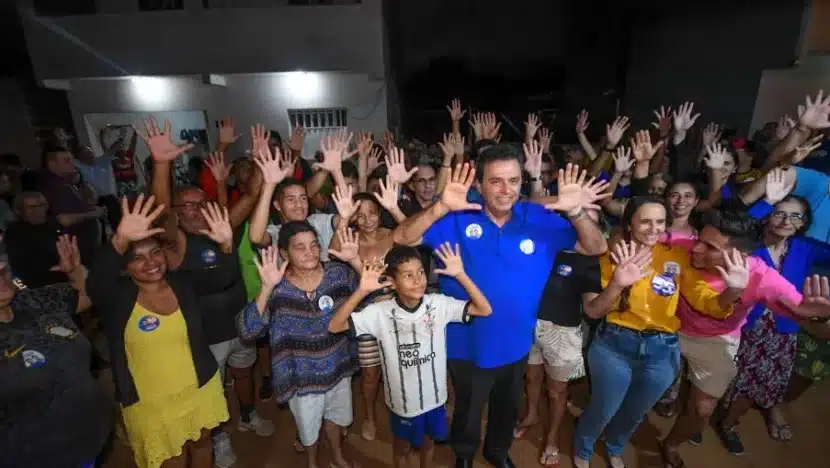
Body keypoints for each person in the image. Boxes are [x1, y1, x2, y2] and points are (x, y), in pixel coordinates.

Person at [393, 143, 608, 468]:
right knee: (468, 406)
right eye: (495, 181)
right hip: (466, 342)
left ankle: (496, 451)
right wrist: (439, 209)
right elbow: (402, 237)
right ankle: (464, 455)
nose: (505, 189)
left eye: (513, 180)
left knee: (506, 407)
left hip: (517, 341)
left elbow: (595, 247)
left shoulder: (539, 219)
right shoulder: (457, 215)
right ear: (479, 184)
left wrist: (576, 211)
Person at [572, 197, 749, 468]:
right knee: (603, 408)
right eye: (645, 221)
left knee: (636, 411)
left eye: (660, 222)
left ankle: (614, 446)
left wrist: (733, 291)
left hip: (662, 351)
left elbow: (708, 304)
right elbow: (594, 312)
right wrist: (617, 284)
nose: (653, 228)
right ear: (629, 224)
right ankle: (583, 449)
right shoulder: (608, 256)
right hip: (614, 345)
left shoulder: (678, 257)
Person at [141, 117, 272, 468]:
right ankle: (219, 438)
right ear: (177, 213)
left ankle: (247, 414)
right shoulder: (176, 241)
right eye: (188, 206)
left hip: (239, 320)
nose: (197, 210)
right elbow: (159, 207)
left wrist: (260, 160)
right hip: (204, 333)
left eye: (201, 202)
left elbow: (252, 194)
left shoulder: (223, 225)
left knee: (244, 373)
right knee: (212, 391)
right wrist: (161, 164)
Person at [660, 206, 830, 465]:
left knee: (703, 410)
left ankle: (671, 444)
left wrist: (821, 317)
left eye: (711, 247)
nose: (696, 249)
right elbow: (632, 237)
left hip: (716, 340)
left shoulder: (763, 277)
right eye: (699, 240)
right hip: (668, 329)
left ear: (741, 255)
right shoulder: (684, 245)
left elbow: (817, 329)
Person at [86, 195, 230, 468]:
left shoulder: (182, 283)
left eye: (155, 252)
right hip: (151, 402)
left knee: (202, 447)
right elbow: (96, 285)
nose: (150, 262)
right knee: (171, 461)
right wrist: (119, 240)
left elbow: (222, 277)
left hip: (200, 386)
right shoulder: (117, 298)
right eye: (137, 258)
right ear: (125, 268)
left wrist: (224, 244)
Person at [328, 243, 492, 468]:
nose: (418, 280)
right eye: (408, 275)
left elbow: (484, 309)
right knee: (402, 447)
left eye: (421, 272)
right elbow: (335, 326)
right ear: (393, 283)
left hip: (435, 399)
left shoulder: (438, 304)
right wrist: (362, 291)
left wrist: (460, 274)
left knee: (428, 443)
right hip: (402, 403)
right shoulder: (379, 312)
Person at [238, 221, 360, 468]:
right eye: (300, 247)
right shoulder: (277, 288)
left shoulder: (338, 273)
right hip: (301, 378)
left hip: (338, 368)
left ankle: (337, 457)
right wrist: (265, 288)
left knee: (336, 420)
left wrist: (357, 262)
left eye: (314, 245)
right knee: (308, 431)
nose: (310, 252)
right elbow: (247, 330)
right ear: (284, 253)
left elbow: (369, 298)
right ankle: (312, 462)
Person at [0, 235, 111, 468]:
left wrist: (76, 271)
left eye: (1, 260)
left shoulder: (35, 300)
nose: (1, 268)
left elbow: (88, 295)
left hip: (89, 442)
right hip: (34, 457)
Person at [514, 212, 604, 467]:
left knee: (556, 391)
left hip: (562, 333)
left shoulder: (590, 262)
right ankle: (531, 416)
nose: (581, 226)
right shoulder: (548, 248)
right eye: (576, 220)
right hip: (531, 323)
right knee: (531, 377)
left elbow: (592, 307)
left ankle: (551, 438)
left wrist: (616, 288)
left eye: (590, 222)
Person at [38, 144, 105, 264]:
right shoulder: (54, 187)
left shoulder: (66, 183)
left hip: (83, 246)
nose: (72, 164)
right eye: (66, 161)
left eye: (72, 160)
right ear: (52, 164)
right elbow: (64, 219)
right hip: (77, 248)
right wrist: (95, 213)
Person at [75, 145, 121, 230]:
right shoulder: (79, 167)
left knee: (118, 221)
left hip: (109, 198)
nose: (91, 154)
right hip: (94, 201)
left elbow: (112, 150)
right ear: (80, 157)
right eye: (87, 153)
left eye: (91, 152)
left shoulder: (102, 161)